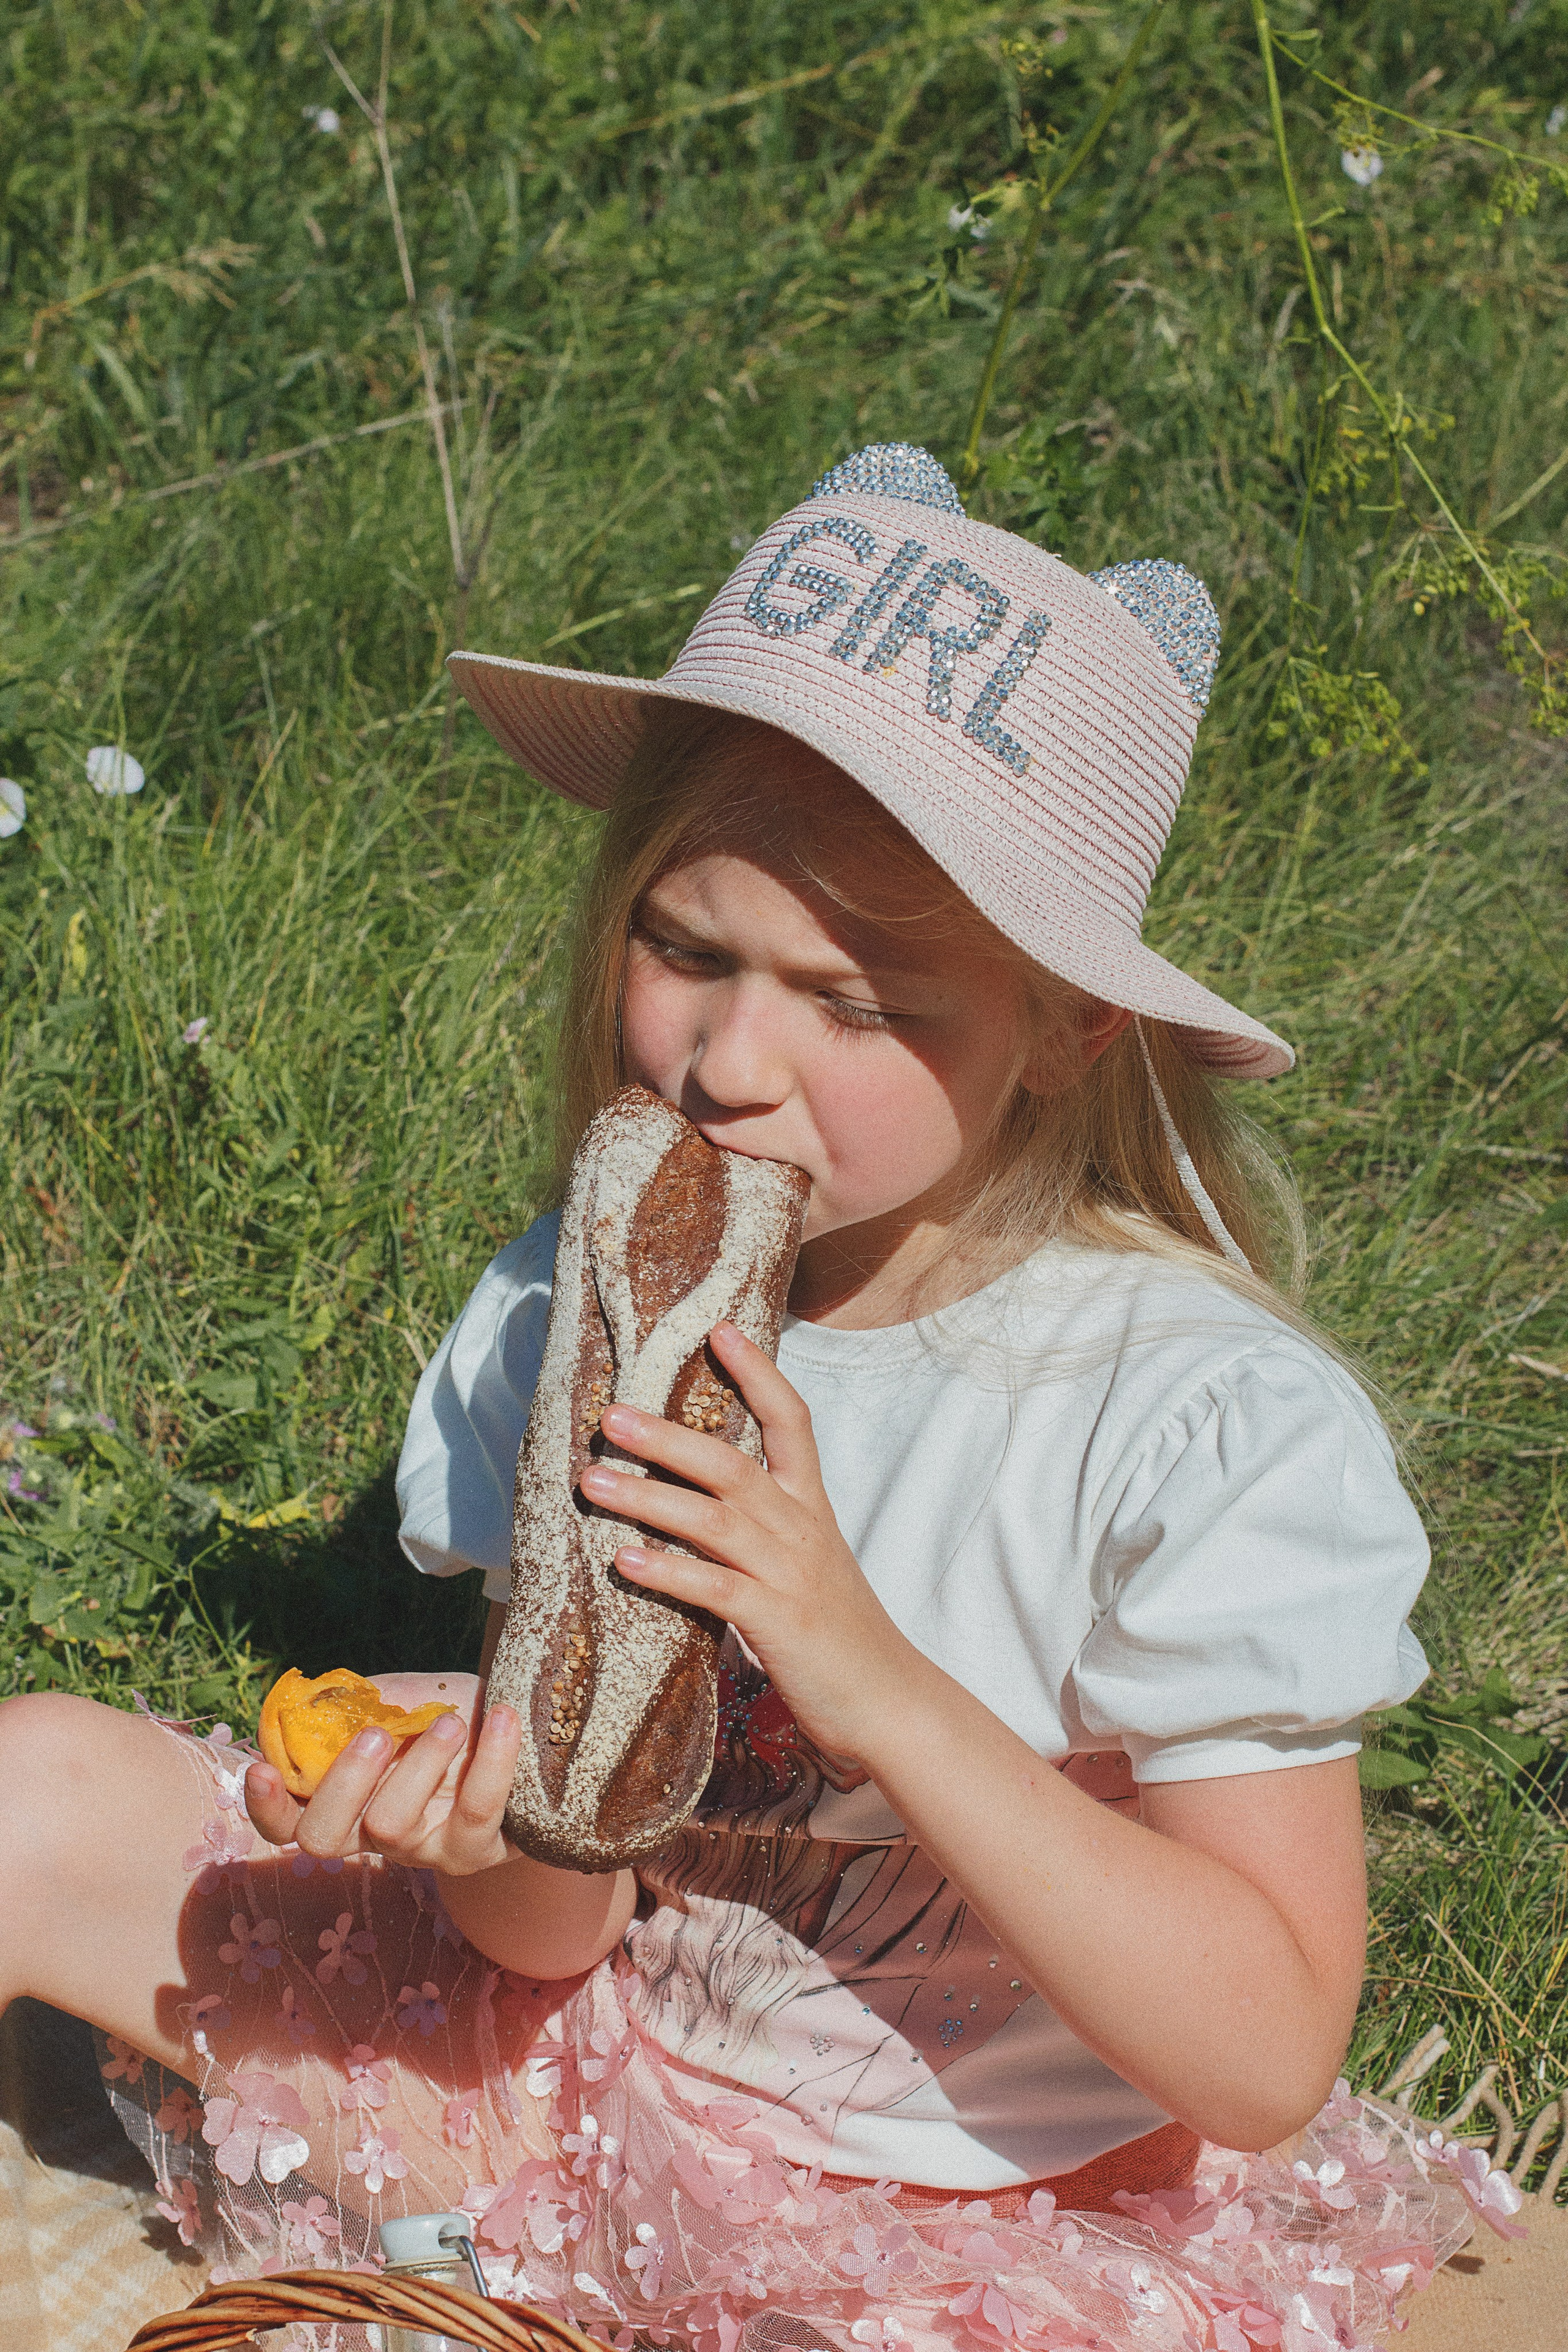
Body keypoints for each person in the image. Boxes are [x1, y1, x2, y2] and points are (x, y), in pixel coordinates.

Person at [0, 445, 1504, 2350]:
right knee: (31, 1789)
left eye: (858, 1007)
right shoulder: (578, 1299)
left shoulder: (1190, 1422)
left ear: (1062, 1025)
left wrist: (860, 1667)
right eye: (688, 950)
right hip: (573, 2080)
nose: (727, 1061)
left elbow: (1265, 2055)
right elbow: (553, 1940)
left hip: (972, 2213)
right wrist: (499, 1831)